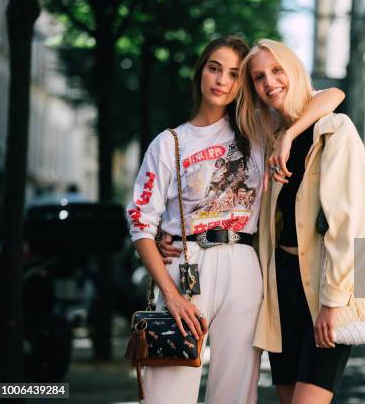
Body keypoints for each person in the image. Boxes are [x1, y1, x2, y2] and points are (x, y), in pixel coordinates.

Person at [127, 34, 344, 404]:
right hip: (185, 266)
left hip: (244, 265)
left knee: (234, 394)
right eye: (214, 69)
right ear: (201, 73)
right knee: (166, 394)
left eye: (233, 74)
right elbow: (140, 225)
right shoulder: (169, 143)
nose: (221, 81)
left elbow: (333, 96)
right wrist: (170, 294)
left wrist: (289, 134)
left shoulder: (258, 129)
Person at [236, 39, 365, 404]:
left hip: (324, 284)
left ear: (295, 71)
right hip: (279, 289)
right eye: (258, 77)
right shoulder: (266, 143)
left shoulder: (333, 130)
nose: (269, 82)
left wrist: (332, 301)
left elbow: (351, 221)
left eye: (277, 70)